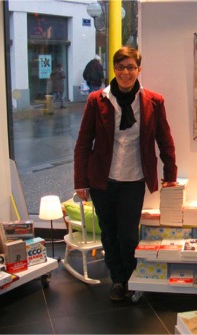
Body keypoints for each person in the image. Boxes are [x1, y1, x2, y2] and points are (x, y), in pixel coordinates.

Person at [74, 46, 178, 301]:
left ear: (139, 69)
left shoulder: (153, 101)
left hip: (134, 179)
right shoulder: (97, 100)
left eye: (131, 67)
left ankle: (130, 276)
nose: (125, 72)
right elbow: (83, 143)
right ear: (114, 70)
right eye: (120, 67)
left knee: (128, 234)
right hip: (102, 180)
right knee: (108, 232)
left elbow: (165, 140)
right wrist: (80, 181)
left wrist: (170, 173)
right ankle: (118, 280)